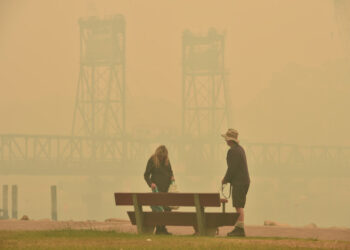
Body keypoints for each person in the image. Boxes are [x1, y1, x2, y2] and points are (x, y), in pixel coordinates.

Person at [221, 128, 250, 237]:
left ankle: (240, 229)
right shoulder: (240, 149)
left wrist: (225, 179)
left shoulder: (232, 151)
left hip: (239, 182)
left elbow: (232, 168)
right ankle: (239, 228)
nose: (225, 141)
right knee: (239, 205)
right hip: (244, 181)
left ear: (230, 140)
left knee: (238, 205)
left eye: (226, 139)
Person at [144, 145, 175, 235]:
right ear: (158, 154)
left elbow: (170, 171)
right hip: (157, 190)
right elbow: (146, 175)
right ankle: (160, 230)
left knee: (167, 209)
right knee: (158, 210)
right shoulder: (152, 160)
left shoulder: (167, 161)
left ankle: (161, 229)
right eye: (161, 156)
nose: (162, 158)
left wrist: (172, 177)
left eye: (164, 156)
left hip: (167, 189)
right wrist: (151, 184)